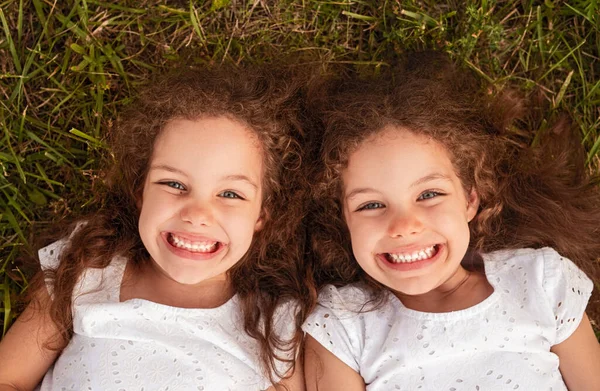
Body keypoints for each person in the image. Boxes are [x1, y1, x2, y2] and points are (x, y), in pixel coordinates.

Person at [0, 64, 309, 390]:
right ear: (140, 191)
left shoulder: (274, 320)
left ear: (262, 214)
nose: (197, 213)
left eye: (230, 194)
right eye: (174, 184)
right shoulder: (89, 268)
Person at [302, 52, 600, 391]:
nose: (404, 225)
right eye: (370, 204)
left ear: (471, 199)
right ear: (343, 218)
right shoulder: (342, 325)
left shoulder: (539, 282)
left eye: (429, 195)